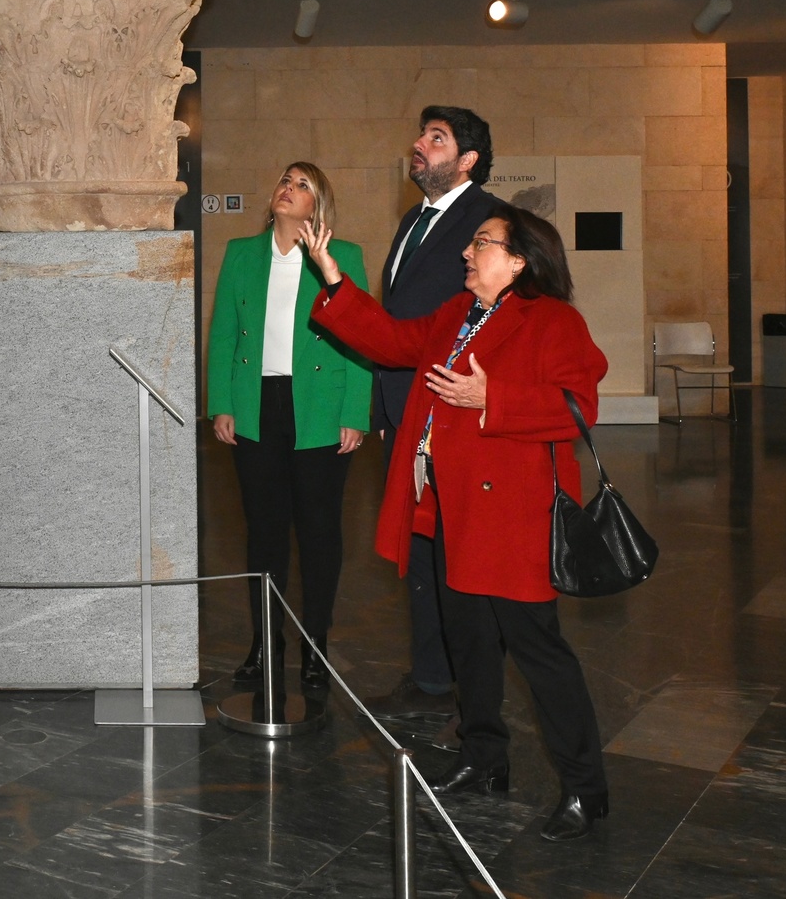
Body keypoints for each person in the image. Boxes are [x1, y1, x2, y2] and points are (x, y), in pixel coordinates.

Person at [304, 205, 612, 842]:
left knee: (538, 653)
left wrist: (489, 398)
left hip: (515, 520)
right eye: (472, 244)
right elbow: (392, 342)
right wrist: (334, 280)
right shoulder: (455, 315)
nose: (467, 254)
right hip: (452, 512)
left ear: (520, 260)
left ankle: (586, 789)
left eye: (482, 244)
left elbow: (578, 406)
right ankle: (483, 760)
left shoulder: (554, 320)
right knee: (469, 646)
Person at [206, 162, 373, 694]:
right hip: (258, 403)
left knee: (320, 533)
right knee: (265, 532)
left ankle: (315, 645)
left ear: (316, 205)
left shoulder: (343, 258)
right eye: (284, 179)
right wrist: (222, 403)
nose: (288, 188)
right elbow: (224, 335)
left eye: (303, 185)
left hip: (320, 406)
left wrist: (355, 413)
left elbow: (361, 339)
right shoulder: (240, 254)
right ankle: (266, 642)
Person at [362, 107, 504, 723]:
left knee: (456, 552)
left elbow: (492, 319)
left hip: (453, 409)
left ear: (467, 161)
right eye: (422, 135)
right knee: (418, 549)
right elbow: (396, 319)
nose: (418, 145)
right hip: (407, 408)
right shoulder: (411, 220)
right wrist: (382, 403)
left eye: (436, 139)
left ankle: (468, 687)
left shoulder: (489, 223)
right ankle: (431, 675)